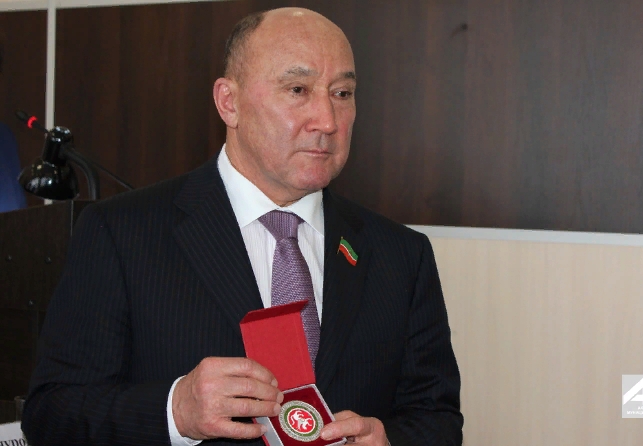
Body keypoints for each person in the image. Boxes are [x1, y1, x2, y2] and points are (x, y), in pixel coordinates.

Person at [21, 7, 462, 446]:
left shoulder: (401, 255)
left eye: (342, 93)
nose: (328, 121)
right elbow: (52, 414)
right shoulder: (122, 234)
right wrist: (176, 411)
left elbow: (437, 419)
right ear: (229, 102)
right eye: (298, 89)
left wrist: (389, 440)